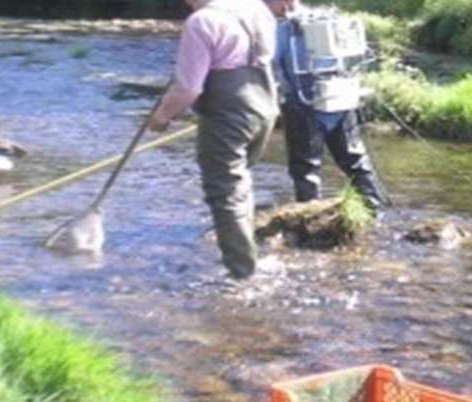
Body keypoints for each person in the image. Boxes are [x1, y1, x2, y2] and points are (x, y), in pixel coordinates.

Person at [147, 0, 280, 280]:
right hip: (265, 109)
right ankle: (248, 256)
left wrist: (162, 116)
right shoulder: (255, 7)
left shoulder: (201, 22)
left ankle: (243, 273)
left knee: (225, 193)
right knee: (239, 184)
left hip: (228, 116)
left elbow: (188, 88)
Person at [264, 0, 391, 210]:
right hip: (340, 99)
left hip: (303, 105)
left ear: (284, 2)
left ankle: (308, 216)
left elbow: (267, 63)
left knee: (305, 168)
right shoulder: (328, 19)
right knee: (355, 160)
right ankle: (374, 209)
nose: (263, 6)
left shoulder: (281, 30)